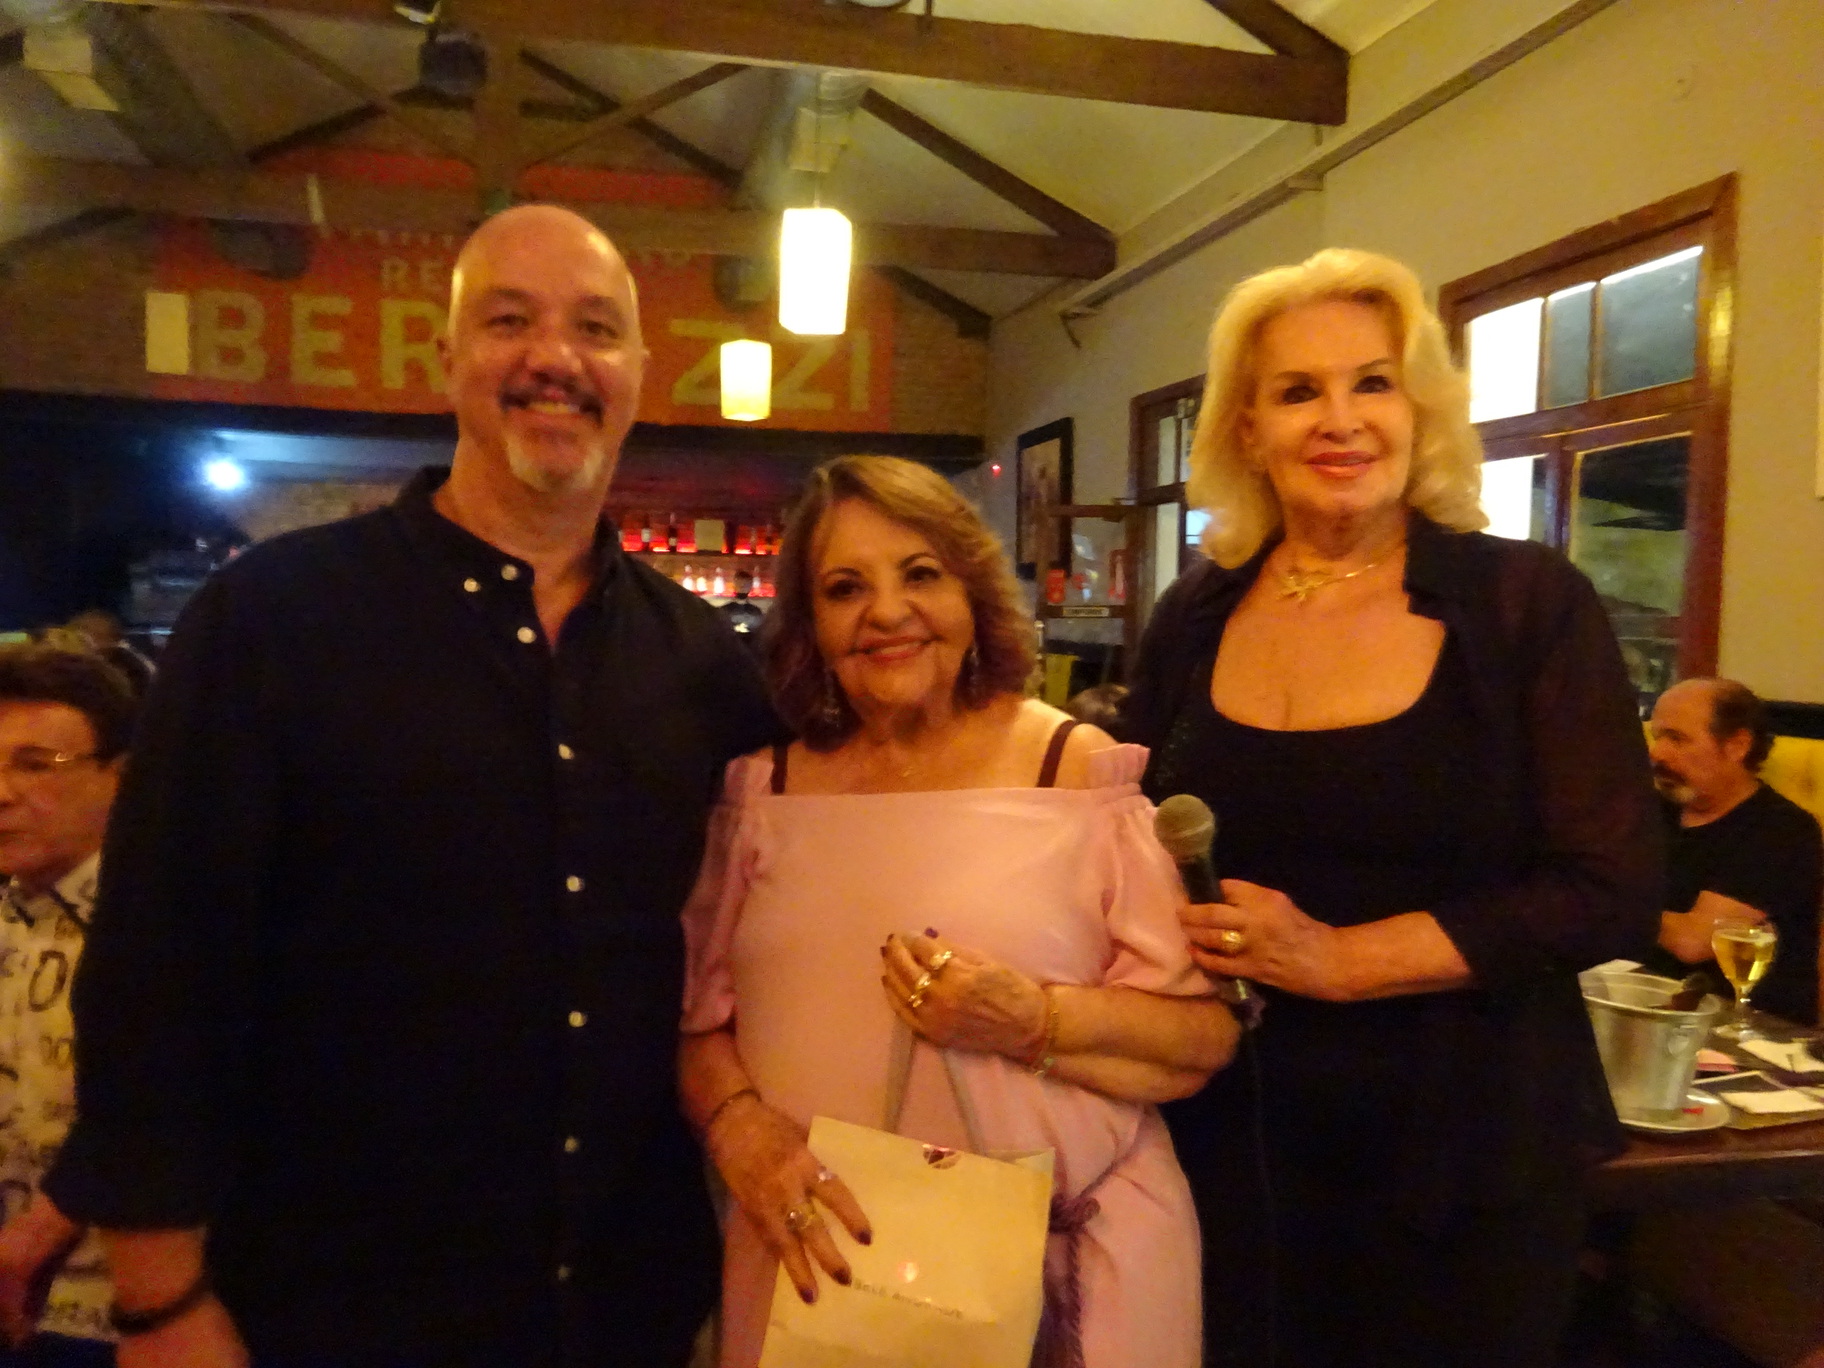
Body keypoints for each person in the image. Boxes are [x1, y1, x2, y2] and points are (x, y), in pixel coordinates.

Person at [44, 206, 779, 1368]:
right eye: (509, 320)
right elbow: (158, 971)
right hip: (332, 1313)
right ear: (446, 360)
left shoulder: (703, 664)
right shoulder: (273, 619)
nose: (555, 357)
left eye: (596, 328)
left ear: (639, 372)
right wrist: (158, 1298)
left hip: (628, 1312)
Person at [1120, 248, 1663, 1368]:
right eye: (1297, 391)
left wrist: (1338, 959)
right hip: (1229, 1133)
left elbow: (1610, 888)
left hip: (1465, 1150)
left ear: (1420, 409)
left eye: (1373, 382)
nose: (1341, 419)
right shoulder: (1195, 614)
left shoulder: (1522, 605)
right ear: (1248, 430)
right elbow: (1124, 837)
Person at [677, 455, 1237, 1368]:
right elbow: (695, 1024)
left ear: (972, 591)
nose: (886, 611)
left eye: (920, 574)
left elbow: (1202, 1039)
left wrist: (1033, 1020)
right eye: (845, 588)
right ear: (810, 624)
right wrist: (743, 1132)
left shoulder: (1076, 774)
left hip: (1071, 1288)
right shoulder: (759, 794)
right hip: (821, 1273)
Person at [0, 641, 138, 1368]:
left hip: (116, 1312)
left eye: (35, 765)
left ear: (121, 776)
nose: (2, 792)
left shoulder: (163, 927)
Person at [1643, 677, 1822, 1024]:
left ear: (1737, 745)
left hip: (1747, 1029)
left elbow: (1692, 942)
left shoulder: (1780, 829)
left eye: (1676, 739)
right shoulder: (1651, 809)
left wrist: (1606, 906)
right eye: (1656, 736)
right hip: (1648, 1001)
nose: (1656, 753)